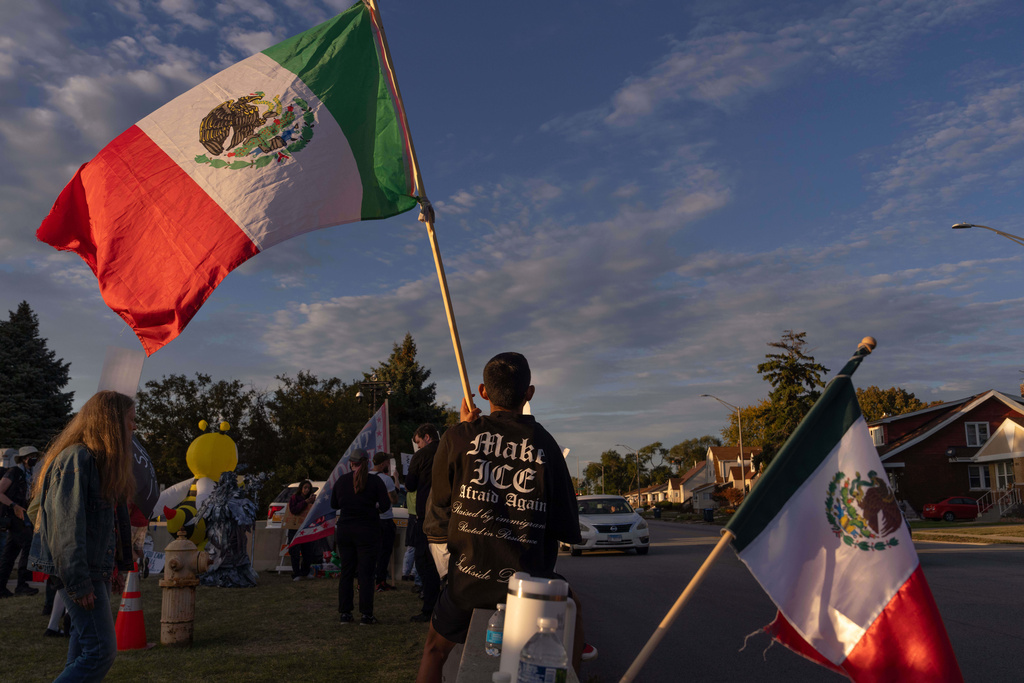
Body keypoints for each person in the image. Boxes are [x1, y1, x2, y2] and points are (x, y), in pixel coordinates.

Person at [417, 352, 584, 683]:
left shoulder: (458, 437)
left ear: (482, 391)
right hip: (529, 587)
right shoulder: (546, 446)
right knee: (573, 607)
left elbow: (440, 503)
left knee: (434, 652)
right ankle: (572, 669)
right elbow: (567, 527)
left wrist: (467, 430)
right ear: (529, 394)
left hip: (468, 582)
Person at [29, 390, 137, 681]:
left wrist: (115, 565)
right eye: (130, 420)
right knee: (100, 652)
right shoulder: (78, 459)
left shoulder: (100, 463)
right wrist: (79, 581)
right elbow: (66, 526)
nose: (134, 427)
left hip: (92, 570)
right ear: (111, 422)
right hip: (78, 572)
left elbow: (107, 523)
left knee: (83, 651)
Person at [330, 448, 390, 625]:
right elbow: (386, 506)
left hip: (345, 530)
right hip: (368, 530)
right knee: (366, 573)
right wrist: (373, 510)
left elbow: (334, 504)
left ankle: (345, 613)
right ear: (367, 462)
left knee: (347, 572)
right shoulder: (375, 481)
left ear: (351, 463)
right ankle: (366, 614)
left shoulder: (342, 481)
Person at [405, 423, 441, 622]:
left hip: (426, 516)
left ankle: (429, 607)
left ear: (426, 437)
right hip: (448, 514)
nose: (417, 446)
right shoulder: (449, 450)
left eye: (418, 442)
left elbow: (410, 485)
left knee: (425, 562)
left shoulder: (421, 455)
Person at [0, 446, 41, 597]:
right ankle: (21, 585)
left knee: (10, 553)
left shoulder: (28, 474)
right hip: (14, 516)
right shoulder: (14, 472)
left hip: (22, 515)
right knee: (28, 544)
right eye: (32, 456)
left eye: (35, 456)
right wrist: (13, 505)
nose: (35, 459)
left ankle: (1, 586)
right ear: (24, 459)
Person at [371, 452, 398, 592]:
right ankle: (380, 581)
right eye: (387, 462)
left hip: (370, 520)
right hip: (385, 520)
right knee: (384, 552)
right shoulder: (386, 480)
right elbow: (394, 500)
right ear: (382, 464)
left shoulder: (366, 476)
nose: (389, 464)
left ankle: (369, 580)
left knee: (371, 552)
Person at [284, 480, 318, 581]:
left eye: (308, 488)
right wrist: (306, 502)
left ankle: (305, 571)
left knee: (308, 551)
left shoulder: (310, 499)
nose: (306, 490)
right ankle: (296, 573)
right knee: (295, 552)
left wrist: (312, 501)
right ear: (301, 488)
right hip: (295, 528)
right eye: (305, 488)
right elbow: (294, 510)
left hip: (307, 528)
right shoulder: (295, 498)